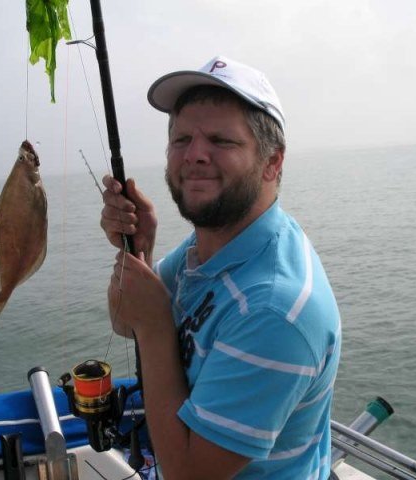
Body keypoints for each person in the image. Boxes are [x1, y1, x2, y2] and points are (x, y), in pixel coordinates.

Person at [100, 55, 341, 479]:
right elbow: (127, 323)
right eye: (181, 139)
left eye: (221, 141)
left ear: (273, 162)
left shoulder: (273, 310)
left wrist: (156, 328)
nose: (195, 155)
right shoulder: (213, 248)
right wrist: (142, 250)